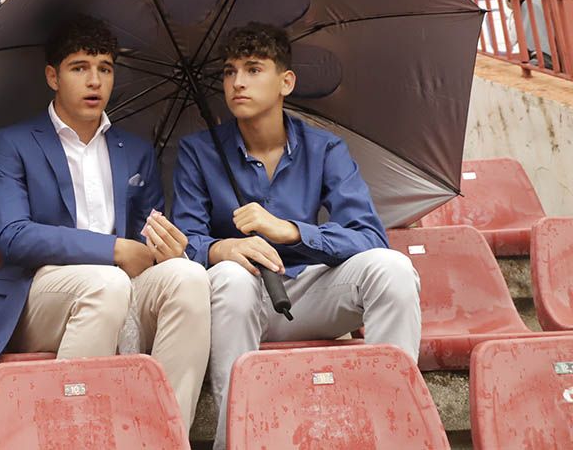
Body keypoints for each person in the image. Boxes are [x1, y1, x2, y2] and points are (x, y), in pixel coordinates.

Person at [171, 22, 421, 450]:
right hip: (240, 302)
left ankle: (391, 432)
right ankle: (237, 439)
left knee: (394, 269)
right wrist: (222, 247)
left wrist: (289, 230)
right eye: (229, 72)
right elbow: (185, 241)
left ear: (286, 81)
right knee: (231, 279)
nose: (238, 83)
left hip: (311, 294)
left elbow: (369, 236)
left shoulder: (325, 149)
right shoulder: (198, 151)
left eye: (253, 70)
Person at [0, 15, 211, 426]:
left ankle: (163, 434)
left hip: (124, 290)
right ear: (53, 76)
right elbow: (13, 236)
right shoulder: (12, 143)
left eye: (105, 69)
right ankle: (73, 432)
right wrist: (113, 250)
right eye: (80, 68)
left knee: (190, 278)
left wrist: (166, 248)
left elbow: (146, 236)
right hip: (39, 294)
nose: (95, 81)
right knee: (106, 281)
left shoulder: (135, 150)